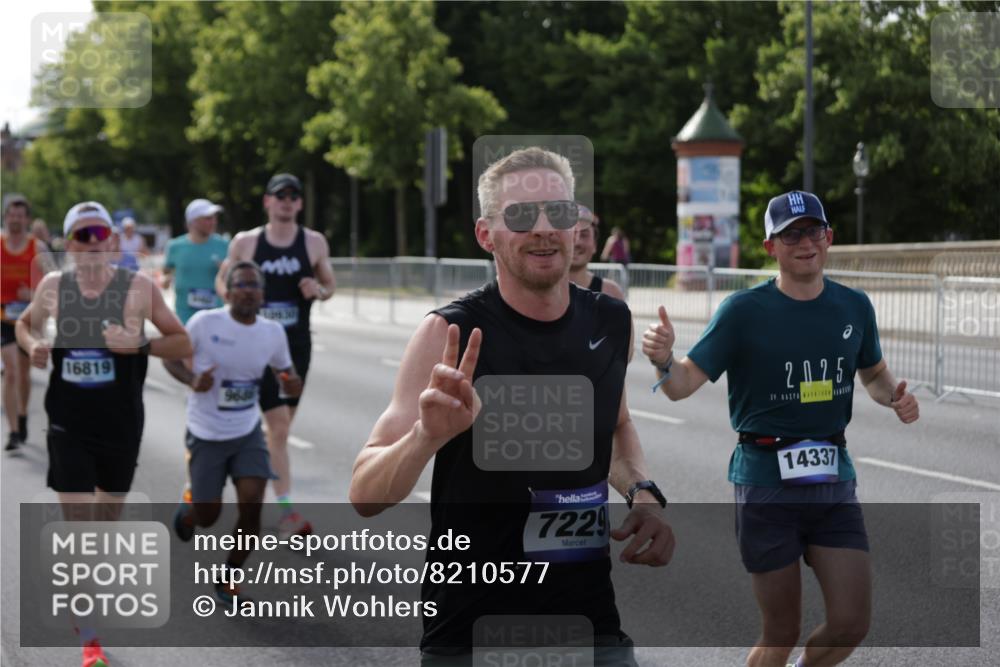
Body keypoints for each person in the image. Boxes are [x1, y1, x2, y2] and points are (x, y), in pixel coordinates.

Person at [350, 147, 675, 663]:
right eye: (522, 216)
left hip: (589, 623)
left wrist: (642, 492)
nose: (545, 229)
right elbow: (364, 494)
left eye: (560, 212)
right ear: (486, 235)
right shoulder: (448, 333)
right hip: (473, 632)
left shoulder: (612, 322)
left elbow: (616, 426)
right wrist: (425, 437)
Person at [642, 190, 920, 667]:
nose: (804, 242)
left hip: (832, 480)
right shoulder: (744, 312)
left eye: (813, 230)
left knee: (852, 621)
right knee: (781, 630)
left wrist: (893, 394)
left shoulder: (854, 307)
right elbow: (680, 385)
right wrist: (664, 358)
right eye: (790, 234)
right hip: (765, 483)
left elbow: (872, 373)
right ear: (771, 247)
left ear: (829, 238)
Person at [15, 201, 191, 667]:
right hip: (68, 422)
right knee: (81, 531)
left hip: (121, 424)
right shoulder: (53, 287)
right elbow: (23, 325)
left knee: (105, 523)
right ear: (69, 243)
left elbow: (183, 341)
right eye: (82, 236)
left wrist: (141, 344)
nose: (92, 244)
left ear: (112, 241)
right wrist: (34, 346)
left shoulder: (138, 287)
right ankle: (89, 636)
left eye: (99, 235)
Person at [164, 260, 302, 605]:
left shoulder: (272, 332)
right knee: (208, 517)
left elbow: (286, 371)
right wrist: (193, 380)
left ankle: (228, 580)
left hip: (246, 431)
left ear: (262, 294)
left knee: (253, 504)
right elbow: (169, 356)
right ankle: (191, 508)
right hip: (206, 431)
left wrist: (292, 382)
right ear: (227, 290)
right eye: (241, 284)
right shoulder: (204, 323)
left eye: (255, 285)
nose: (248, 290)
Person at [215, 173, 336, 539]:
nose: (286, 201)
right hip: (248, 346)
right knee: (239, 425)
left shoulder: (313, 242)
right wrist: (236, 297)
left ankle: (281, 510)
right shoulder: (247, 242)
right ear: (267, 201)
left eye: (292, 196)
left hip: (292, 349)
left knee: (279, 429)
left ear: (299, 203)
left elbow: (329, 285)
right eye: (278, 195)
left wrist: (318, 289)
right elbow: (222, 281)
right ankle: (207, 491)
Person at [2, 195, 52, 452]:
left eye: (21, 215)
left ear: (27, 219)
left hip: (30, 316)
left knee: (23, 373)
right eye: (12, 214)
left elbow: (52, 289)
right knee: (10, 371)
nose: (16, 219)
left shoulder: (38, 249)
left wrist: (30, 296)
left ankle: (22, 415)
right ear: (6, 216)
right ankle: (12, 432)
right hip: (3, 317)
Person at [162, 198, 229, 324]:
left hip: (215, 316)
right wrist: (166, 278)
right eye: (208, 218)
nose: (213, 222)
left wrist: (227, 271)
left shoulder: (224, 245)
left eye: (214, 218)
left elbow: (233, 278)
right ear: (193, 222)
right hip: (185, 317)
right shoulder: (174, 246)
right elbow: (166, 271)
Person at [569, 204, 626, 300]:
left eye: (584, 234)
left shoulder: (611, 293)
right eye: (570, 234)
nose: (577, 242)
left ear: (595, 245)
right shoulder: (538, 292)